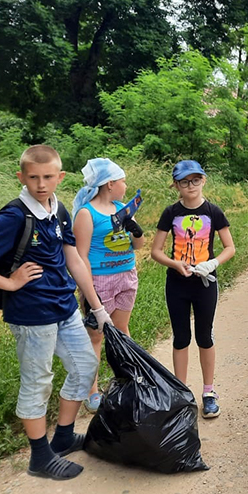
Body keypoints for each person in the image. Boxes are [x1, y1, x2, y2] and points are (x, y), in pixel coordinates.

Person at [0, 145, 104, 481]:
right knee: (38, 383)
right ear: (21, 177)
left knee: (85, 365)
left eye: (48, 177)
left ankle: (63, 437)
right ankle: (40, 457)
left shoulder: (58, 208)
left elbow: (74, 258)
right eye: (33, 177)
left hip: (63, 306)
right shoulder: (15, 216)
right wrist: (9, 283)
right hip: (32, 314)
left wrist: (96, 305)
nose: (41, 184)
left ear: (60, 177)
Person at [151, 160, 236, 418]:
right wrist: (175, 264)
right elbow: (155, 251)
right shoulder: (170, 213)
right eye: (185, 181)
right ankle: (181, 393)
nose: (191, 186)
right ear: (176, 185)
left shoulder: (214, 212)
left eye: (195, 180)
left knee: (204, 336)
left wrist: (212, 263)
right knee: (180, 337)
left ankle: (208, 392)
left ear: (204, 180)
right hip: (177, 282)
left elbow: (230, 248)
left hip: (204, 284)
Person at [72, 158, 146, 412]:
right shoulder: (86, 213)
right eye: (123, 181)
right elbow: (81, 257)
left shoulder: (121, 209)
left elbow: (137, 246)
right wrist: (89, 293)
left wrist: (137, 232)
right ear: (110, 183)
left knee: (123, 329)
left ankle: (129, 379)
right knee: (96, 335)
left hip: (127, 275)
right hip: (100, 280)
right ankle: (90, 391)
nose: (126, 185)